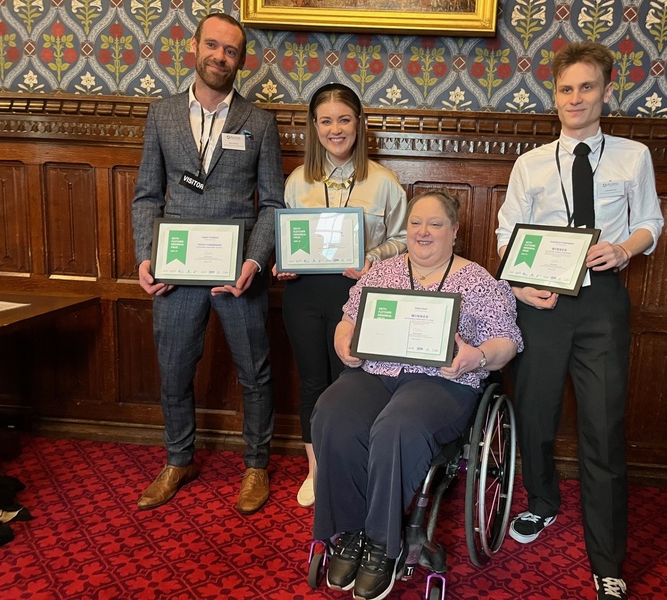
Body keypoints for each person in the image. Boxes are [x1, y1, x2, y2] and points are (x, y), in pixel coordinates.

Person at [496, 42, 664, 600]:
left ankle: (607, 559)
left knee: (603, 427)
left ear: (606, 92)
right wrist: (521, 286)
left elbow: (651, 222)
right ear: (555, 95)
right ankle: (542, 502)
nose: (575, 98)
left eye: (586, 87)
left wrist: (624, 249)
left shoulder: (633, 156)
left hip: (602, 305)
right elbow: (505, 234)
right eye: (566, 88)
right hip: (541, 304)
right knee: (535, 415)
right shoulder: (530, 164)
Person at [312, 190, 523, 600]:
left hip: (443, 382)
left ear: (454, 231)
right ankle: (351, 532)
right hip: (377, 374)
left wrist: (477, 356)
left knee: (399, 425)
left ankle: (382, 543)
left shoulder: (479, 281)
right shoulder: (382, 272)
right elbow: (347, 321)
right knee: (333, 411)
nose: (423, 231)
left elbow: (508, 341)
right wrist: (343, 342)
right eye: (415, 223)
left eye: (435, 224)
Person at [130, 13, 285, 515]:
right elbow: (147, 195)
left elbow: (273, 205)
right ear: (194, 46)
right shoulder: (162, 114)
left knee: (254, 372)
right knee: (174, 369)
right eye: (213, 45)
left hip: (238, 271)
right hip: (175, 270)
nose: (220, 56)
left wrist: (256, 261)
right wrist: (146, 256)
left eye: (231, 51)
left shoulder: (259, 122)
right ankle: (178, 460)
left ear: (241, 60)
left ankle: (256, 464)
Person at [277, 82, 407, 508]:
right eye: (326, 121)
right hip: (304, 294)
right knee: (313, 382)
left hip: (358, 295)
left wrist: (372, 257)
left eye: (344, 119)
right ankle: (317, 471)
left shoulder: (384, 182)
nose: (336, 129)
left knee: (352, 383)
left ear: (359, 123)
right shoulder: (298, 181)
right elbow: (290, 238)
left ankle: (351, 466)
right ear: (314, 126)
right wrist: (283, 261)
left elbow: (403, 239)